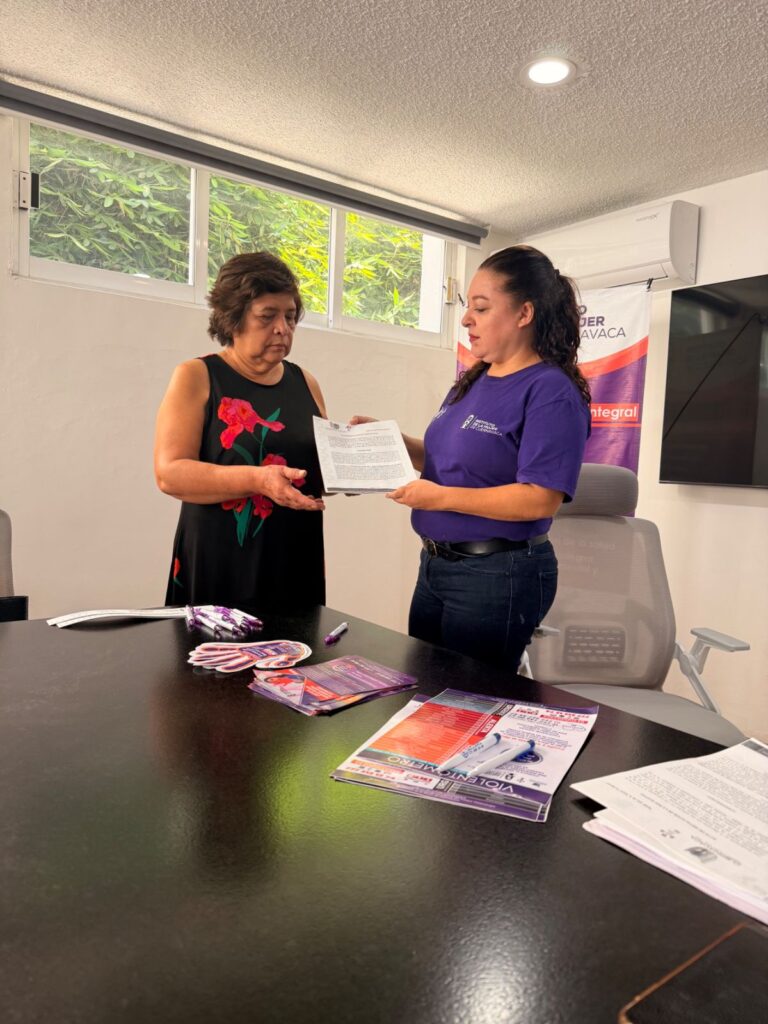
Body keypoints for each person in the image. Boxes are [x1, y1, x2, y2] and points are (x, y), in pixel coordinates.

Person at [353, 245, 590, 671]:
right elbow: (450, 461)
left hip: (497, 574)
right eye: (467, 307)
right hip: (436, 566)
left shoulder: (550, 392)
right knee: (424, 687)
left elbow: (540, 499)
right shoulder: (474, 379)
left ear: (524, 313)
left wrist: (439, 498)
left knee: (466, 700)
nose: (465, 319)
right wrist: (390, 441)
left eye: (481, 308)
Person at [155, 252, 327, 612]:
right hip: (220, 561)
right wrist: (258, 480)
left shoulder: (306, 381)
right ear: (233, 318)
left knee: (297, 646)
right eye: (267, 316)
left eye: (290, 316)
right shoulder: (197, 376)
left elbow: (320, 469)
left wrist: (357, 464)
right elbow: (170, 474)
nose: (283, 328)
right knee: (214, 650)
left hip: (294, 557)